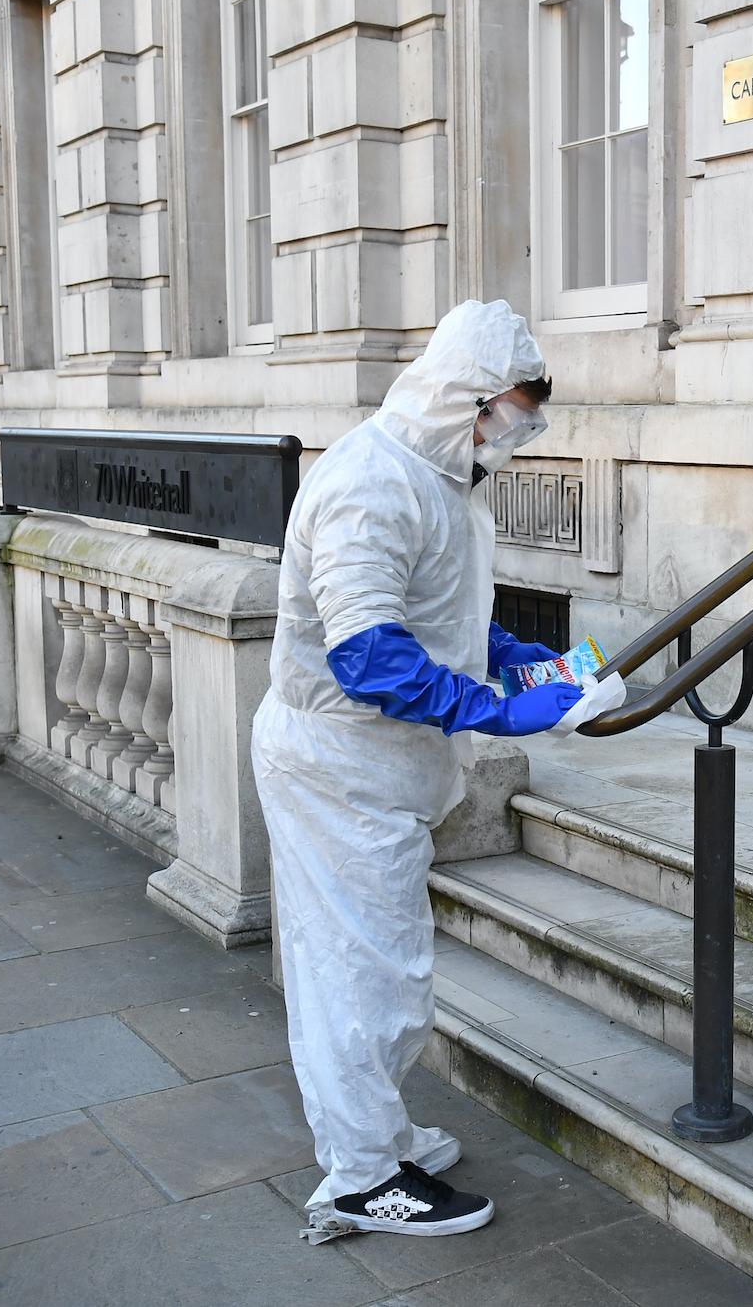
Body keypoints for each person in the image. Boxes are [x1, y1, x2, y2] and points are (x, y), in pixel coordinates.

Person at [252, 299, 583, 1240]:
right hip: (336, 764)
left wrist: (518, 655)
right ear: (468, 400)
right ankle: (362, 1176)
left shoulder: (442, 480)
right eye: (513, 412)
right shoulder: (370, 481)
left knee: (378, 963)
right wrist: (492, 706)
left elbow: (439, 608)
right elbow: (367, 652)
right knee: (360, 972)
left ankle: (380, 1137)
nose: (519, 432)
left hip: (380, 769)